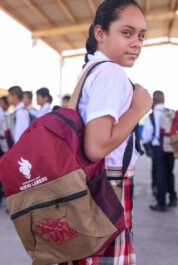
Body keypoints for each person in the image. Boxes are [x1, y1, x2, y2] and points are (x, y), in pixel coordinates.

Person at [59, 0, 151, 264]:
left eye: (141, 35)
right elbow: (96, 146)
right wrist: (138, 109)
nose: (136, 42)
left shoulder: (91, 69)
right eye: (127, 32)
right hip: (107, 186)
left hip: (90, 182)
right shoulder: (111, 72)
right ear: (100, 34)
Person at [142, 90, 177, 212]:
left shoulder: (152, 116)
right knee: (170, 173)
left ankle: (161, 203)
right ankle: (173, 198)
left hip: (159, 149)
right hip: (171, 148)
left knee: (160, 175)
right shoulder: (170, 112)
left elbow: (146, 137)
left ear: (154, 101)